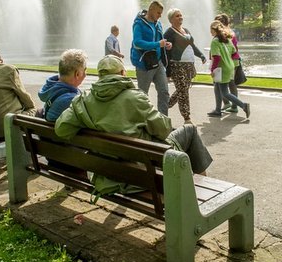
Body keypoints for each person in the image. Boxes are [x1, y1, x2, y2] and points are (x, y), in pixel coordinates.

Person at [55, 55, 212, 175]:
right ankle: (204, 184)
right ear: (123, 73)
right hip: (141, 168)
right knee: (189, 130)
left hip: (106, 171)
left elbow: (61, 129)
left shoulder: (83, 100)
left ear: (100, 75)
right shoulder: (134, 97)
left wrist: (91, 123)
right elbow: (163, 130)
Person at [163, 8, 207, 124]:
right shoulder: (169, 32)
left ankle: (165, 106)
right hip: (177, 66)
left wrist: (201, 55)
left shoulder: (186, 30)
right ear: (171, 19)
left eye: (181, 15)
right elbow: (165, 52)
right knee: (183, 92)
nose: (180, 17)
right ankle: (187, 118)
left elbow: (192, 45)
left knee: (182, 90)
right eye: (177, 16)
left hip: (189, 65)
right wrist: (168, 72)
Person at [130, 1, 172, 115]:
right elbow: (137, 43)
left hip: (157, 62)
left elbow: (159, 41)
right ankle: (142, 122)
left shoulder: (158, 23)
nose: (160, 15)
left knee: (164, 92)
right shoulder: (139, 23)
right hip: (144, 64)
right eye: (158, 12)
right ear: (151, 9)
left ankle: (163, 121)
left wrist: (166, 45)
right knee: (143, 95)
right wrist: (158, 44)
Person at [207, 21, 250, 119]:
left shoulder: (215, 41)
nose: (210, 33)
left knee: (224, 92)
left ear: (215, 30)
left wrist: (212, 70)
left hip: (221, 68)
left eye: (211, 30)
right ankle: (217, 110)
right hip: (229, 66)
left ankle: (244, 105)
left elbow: (216, 57)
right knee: (217, 88)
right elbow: (235, 53)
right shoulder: (227, 40)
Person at [38, 49, 87, 122]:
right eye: (85, 70)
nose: (85, 74)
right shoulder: (72, 100)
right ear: (77, 74)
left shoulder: (51, 88)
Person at [215, 13, 241, 113]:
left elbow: (228, 50)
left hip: (227, 61)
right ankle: (231, 105)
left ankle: (229, 105)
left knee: (221, 83)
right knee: (230, 83)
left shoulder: (225, 34)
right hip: (233, 61)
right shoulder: (230, 33)